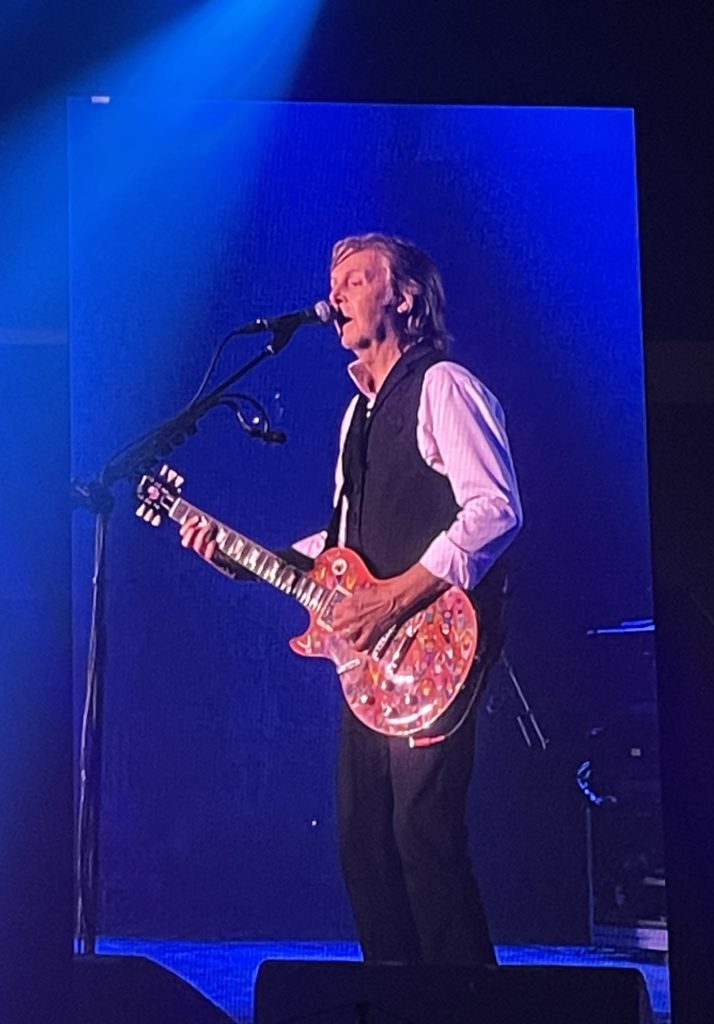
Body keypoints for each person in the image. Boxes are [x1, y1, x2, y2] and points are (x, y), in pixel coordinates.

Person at [180, 232, 522, 965]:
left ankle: (471, 1011)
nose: (335, 294)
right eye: (333, 281)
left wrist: (396, 597)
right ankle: (397, 1002)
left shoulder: (444, 386)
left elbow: (494, 510)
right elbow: (338, 548)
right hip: (370, 663)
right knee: (363, 841)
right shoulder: (353, 417)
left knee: (422, 834)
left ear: (403, 298)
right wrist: (243, 559)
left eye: (357, 279)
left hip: (435, 644)